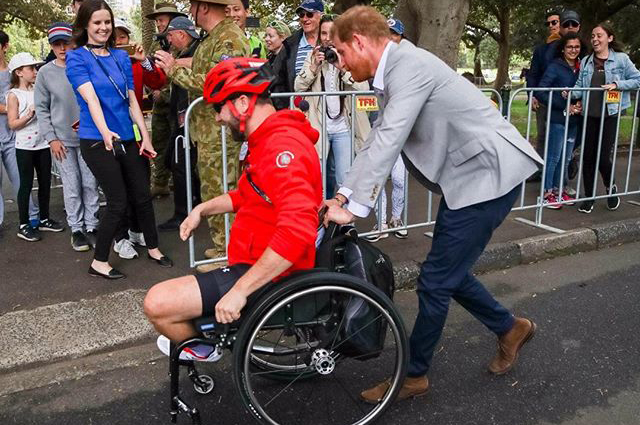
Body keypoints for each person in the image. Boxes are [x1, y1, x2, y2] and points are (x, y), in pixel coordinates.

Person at [323, 6, 542, 402]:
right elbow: (376, 140)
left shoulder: (409, 65)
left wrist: (355, 210)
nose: (339, 64)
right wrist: (343, 194)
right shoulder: (392, 71)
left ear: (358, 40)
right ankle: (510, 328)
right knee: (447, 274)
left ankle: (413, 376)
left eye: (340, 53)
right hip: (468, 179)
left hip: (490, 175)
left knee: (436, 280)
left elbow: (390, 136)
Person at [143, 58, 322, 362]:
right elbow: (247, 195)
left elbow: (296, 232)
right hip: (251, 258)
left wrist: (240, 290)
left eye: (218, 108)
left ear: (242, 102)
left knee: (157, 303)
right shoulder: (265, 140)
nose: (217, 118)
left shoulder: (281, 149)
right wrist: (202, 209)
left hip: (267, 270)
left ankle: (205, 349)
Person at [66, 0, 172, 279]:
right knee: (118, 201)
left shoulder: (121, 57)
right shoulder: (77, 57)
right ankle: (99, 261)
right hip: (96, 139)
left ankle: (153, 247)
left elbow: (132, 101)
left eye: (107, 22)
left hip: (126, 137)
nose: (103, 27)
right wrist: (104, 132)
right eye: (97, 23)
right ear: (86, 25)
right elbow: (91, 101)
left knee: (142, 195)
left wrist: (145, 138)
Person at [154, 0, 249, 273]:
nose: (190, 13)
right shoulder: (213, 38)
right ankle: (223, 246)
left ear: (203, 8)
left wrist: (174, 68)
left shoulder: (228, 38)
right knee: (213, 190)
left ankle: (229, 252)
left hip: (220, 132)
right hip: (208, 132)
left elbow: (218, 83)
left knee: (222, 190)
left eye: (192, 7)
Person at [35, 22, 100, 251]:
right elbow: (41, 109)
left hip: (89, 134)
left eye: (67, 43)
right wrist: (51, 138)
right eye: (57, 44)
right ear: (52, 47)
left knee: (90, 182)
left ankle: (92, 225)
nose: (63, 48)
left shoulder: (85, 64)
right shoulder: (45, 73)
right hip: (61, 140)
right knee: (72, 185)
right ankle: (77, 229)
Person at [294, 14, 371, 199]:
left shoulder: (350, 56)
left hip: (343, 127)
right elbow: (297, 87)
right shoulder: (313, 57)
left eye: (332, 33)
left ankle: (344, 226)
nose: (327, 38)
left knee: (344, 178)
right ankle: (318, 225)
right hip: (319, 127)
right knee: (317, 177)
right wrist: (313, 67)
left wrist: (342, 67)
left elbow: (364, 88)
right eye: (323, 33)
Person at [111, 17, 168, 257]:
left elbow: (158, 81)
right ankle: (120, 237)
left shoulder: (136, 63)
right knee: (118, 189)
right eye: (114, 38)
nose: (118, 42)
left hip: (136, 130)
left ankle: (136, 230)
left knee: (140, 184)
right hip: (111, 130)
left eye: (122, 37)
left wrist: (144, 60)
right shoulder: (97, 62)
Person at [572, 23, 640, 214]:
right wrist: (569, 93)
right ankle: (589, 198)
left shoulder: (621, 59)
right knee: (587, 158)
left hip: (610, 115)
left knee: (602, 157)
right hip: (589, 116)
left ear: (609, 38)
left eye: (599, 36)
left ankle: (611, 189)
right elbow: (579, 85)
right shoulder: (586, 61)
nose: (594, 39)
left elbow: (638, 79)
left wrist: (617, 84)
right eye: (592, 36)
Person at [8, 52, 65, 242]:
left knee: (45, 182)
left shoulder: (37, 89)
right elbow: (12, 124)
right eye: (30, 68)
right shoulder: (13, 95)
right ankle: (23, 224)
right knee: (25, 184)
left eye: (35, 68)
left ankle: (44, 218)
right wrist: (29, 115)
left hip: (43, 143)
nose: (35, 71)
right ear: (18, 72)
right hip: (24, 146)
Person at [364, 16, 408, 242]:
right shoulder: (372, 65)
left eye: (395, 35)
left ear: (401, 38)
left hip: (401, 136)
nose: (390, 39)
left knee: (399, 179)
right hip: (379, 132)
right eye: (386, 35)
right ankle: (380, 221)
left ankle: (396, 218)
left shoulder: (409, 67)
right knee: (378, 180)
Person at [157, 16, 202, 232]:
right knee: (175, 162)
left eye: (170, 35)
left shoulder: (198, 50)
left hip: (192, 120)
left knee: (181, 165)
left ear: (182, 34)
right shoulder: (184, 52)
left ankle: (184, 213)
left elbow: (199, 65)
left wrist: (171, 63)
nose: (168, 40)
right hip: (180, 118)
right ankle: (192, 207)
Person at [145, 2, 187, 198]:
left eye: (161, 20)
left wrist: (165, 93)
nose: (158, 24)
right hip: (158, 105)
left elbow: (185, 72)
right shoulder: (156, 44)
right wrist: (151, 88)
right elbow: (148, 68)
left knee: (179, 147)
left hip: (177, 104)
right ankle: (160, 183)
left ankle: (184, 191)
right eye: (157, 21)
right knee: (159, 143)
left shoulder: (182, 41)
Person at [536, 33, 583, 209]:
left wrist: (579, 104)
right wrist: (564, 106)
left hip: (574, 121)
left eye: (576, 47)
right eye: (570, 47)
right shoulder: (555, 67)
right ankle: (547, 192)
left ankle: (559, 189)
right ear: (563, 48)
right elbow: (541, 91)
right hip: (557, 119)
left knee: (566, 158)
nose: (573, 50)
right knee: (554, 157)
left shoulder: (581, 67)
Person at [0, 30, 39, 233]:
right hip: (13, 128)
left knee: (21, 180)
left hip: (13, 137)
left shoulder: (13, 73)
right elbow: (15, 107)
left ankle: (32, 217)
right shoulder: (14, 90)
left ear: (5, 46)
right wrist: (13, 108)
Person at [268, 0, 323, 110]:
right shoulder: (290, 44)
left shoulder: (332, 41)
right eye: (301, 15)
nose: (305, 19)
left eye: (309, 14)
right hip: (299, 111)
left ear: (321, 16)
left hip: (329, 113)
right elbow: (276, 79)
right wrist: (284, 107)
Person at [527, 10, 561, 170]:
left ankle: (561, 172)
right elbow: (533, 74)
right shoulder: (541, 50)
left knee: (562, 135)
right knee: (542, 135)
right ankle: (540, 169)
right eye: (548, 23)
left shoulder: (572, 46)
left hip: (564, 99)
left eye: (554, 22)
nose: (551, 26)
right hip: (544, 98)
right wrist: (532, 94)